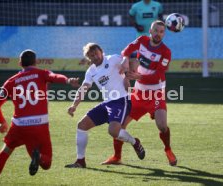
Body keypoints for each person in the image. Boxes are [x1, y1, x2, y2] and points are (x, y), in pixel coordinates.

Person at [0, 49, 80, 186]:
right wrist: (67, 80)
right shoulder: (42, 73)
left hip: (19, 126)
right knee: (46, 163)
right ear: (36, 62)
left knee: (5, 152)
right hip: (39, 126)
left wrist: (2, 122)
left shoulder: (11, 81)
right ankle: (39, 157)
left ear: (20, 63)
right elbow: (55, 77)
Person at [102, 20, 177, 166]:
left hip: (156, 93)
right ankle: (117, 157)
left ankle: (168, 150)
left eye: (161, 32)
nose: (158, 34)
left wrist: (139, 76)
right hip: (139, 93)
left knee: (162, 126)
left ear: (164, 34)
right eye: (155, 30)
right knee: (119, 126)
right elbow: (128, 49)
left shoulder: (166, 52)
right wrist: (125, 60)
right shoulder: (142, 40)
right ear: (150, 31)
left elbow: (159, 75)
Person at [64, 43, 145, 168]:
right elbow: (83, 88)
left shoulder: (113, 59)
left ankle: (135, 142)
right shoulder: (91, 71)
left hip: (121, 100)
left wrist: (130, 73)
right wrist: (74, 105)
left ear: (101, 51)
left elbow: (133, 58)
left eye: (96, 53)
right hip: (107, 103)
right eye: (91, 56)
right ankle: (80, 161)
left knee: (113, 131)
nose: (95, 57)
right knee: (81, 125)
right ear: (88, 58)